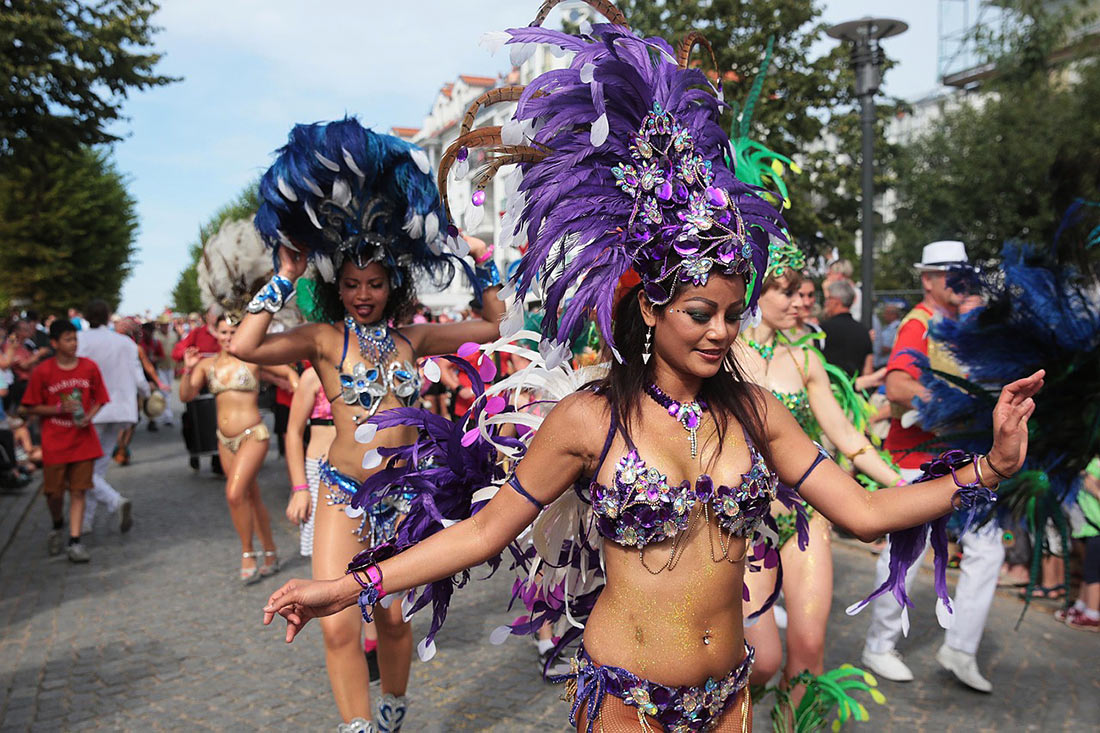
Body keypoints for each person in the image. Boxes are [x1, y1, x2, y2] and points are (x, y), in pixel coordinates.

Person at [259, 12, 1042, 731]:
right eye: (701, 313)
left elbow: (867, 513)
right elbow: (482, 532)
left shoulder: (756, 411)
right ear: (650, 310)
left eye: (732, 313)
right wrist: (351, 587)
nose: (720, 331)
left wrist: (990, 465)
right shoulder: (588, 419)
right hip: (627, 698)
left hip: (729, 691)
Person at [230, 117, 504, 733]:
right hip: (343, 496)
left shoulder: (416, 338)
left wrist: (473, 252)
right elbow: (246, 347)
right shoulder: (324, 341)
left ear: (392, 285)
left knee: (394, 621)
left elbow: (495, 325)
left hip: (408, 498)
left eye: (374, 283)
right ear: (338, 287)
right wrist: (285, 274)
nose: (362, 293)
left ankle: (392, 714)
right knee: (336, 623)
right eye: (352, 283)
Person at [735, 240, 901, 698]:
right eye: (785, 292)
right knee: (761, 660)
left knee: (808, 652)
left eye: (801, 292)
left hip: (806, 520)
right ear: (756, 292)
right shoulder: (725, 355)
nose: (797, 302)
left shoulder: (807, 359)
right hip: (746, 524)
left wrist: (902, 485)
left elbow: (849, 438)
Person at [860, 240, 1005, 693]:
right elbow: (899, 385)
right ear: (929, 280)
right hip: (918, 462)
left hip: (963, 460)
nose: (963, 283)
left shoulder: (959, 324)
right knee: (906, 552)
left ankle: (960, 648)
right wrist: (954, 405)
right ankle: (878, 644)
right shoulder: (918, 324)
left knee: (988, 546)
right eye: (952, 275)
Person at [180, 312, 297, 582]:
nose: (228, 337)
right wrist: (188, 368)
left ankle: (248, 553)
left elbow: (289, 373)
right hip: (224, 439)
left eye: (234, 332)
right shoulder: (206, 365)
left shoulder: (252, 359)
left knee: (234, 494)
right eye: (224, 332)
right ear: (215, 333)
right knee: (250, 496)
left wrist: (301, 401)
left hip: (252, 435)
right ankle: (270, 552)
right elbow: (186, 395)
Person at [21, 319, 109, 562]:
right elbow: (30, 407)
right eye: (68, 339)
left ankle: (75, 541)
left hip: (83, 440)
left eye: (75, 339)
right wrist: (58, 408)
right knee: (54, 494)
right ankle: (57, 524)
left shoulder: (89, 367)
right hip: (55, 442)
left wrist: (88, 416)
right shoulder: (43, 372)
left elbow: (101, 398)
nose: (73, 344)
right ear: (54, 343)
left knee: (79, 491)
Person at [76, 300, 145, 534]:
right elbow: (137, 375)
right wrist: (147, 393)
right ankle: (86, 519)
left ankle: (111, 503)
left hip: (91, 410)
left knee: (82, 468)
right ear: (107, 317)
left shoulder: (80, 340)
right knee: (99, 466)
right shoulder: (124, 342)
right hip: (119, 408)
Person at [1056, 457, 1100, 631]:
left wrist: (1094, 487)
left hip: (1097, 529)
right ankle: (1082, 605)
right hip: (1089, 529)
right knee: (1088, 570)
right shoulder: (1094, 462)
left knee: (1094, 575)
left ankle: (1093, 614)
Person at [820, 279, 874, 378]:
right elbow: (868, 370)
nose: (826, 303)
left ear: (836, 302)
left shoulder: (823, 330)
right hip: (854, 388)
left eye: (828, 299)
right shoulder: (863, 331)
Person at [872, 301, 902, 370]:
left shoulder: (896, 328)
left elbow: (887, 348)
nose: (884, 315)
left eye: (886, 313)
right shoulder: (889, 327)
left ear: (894, 315)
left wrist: (874, 348)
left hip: (885, 363)